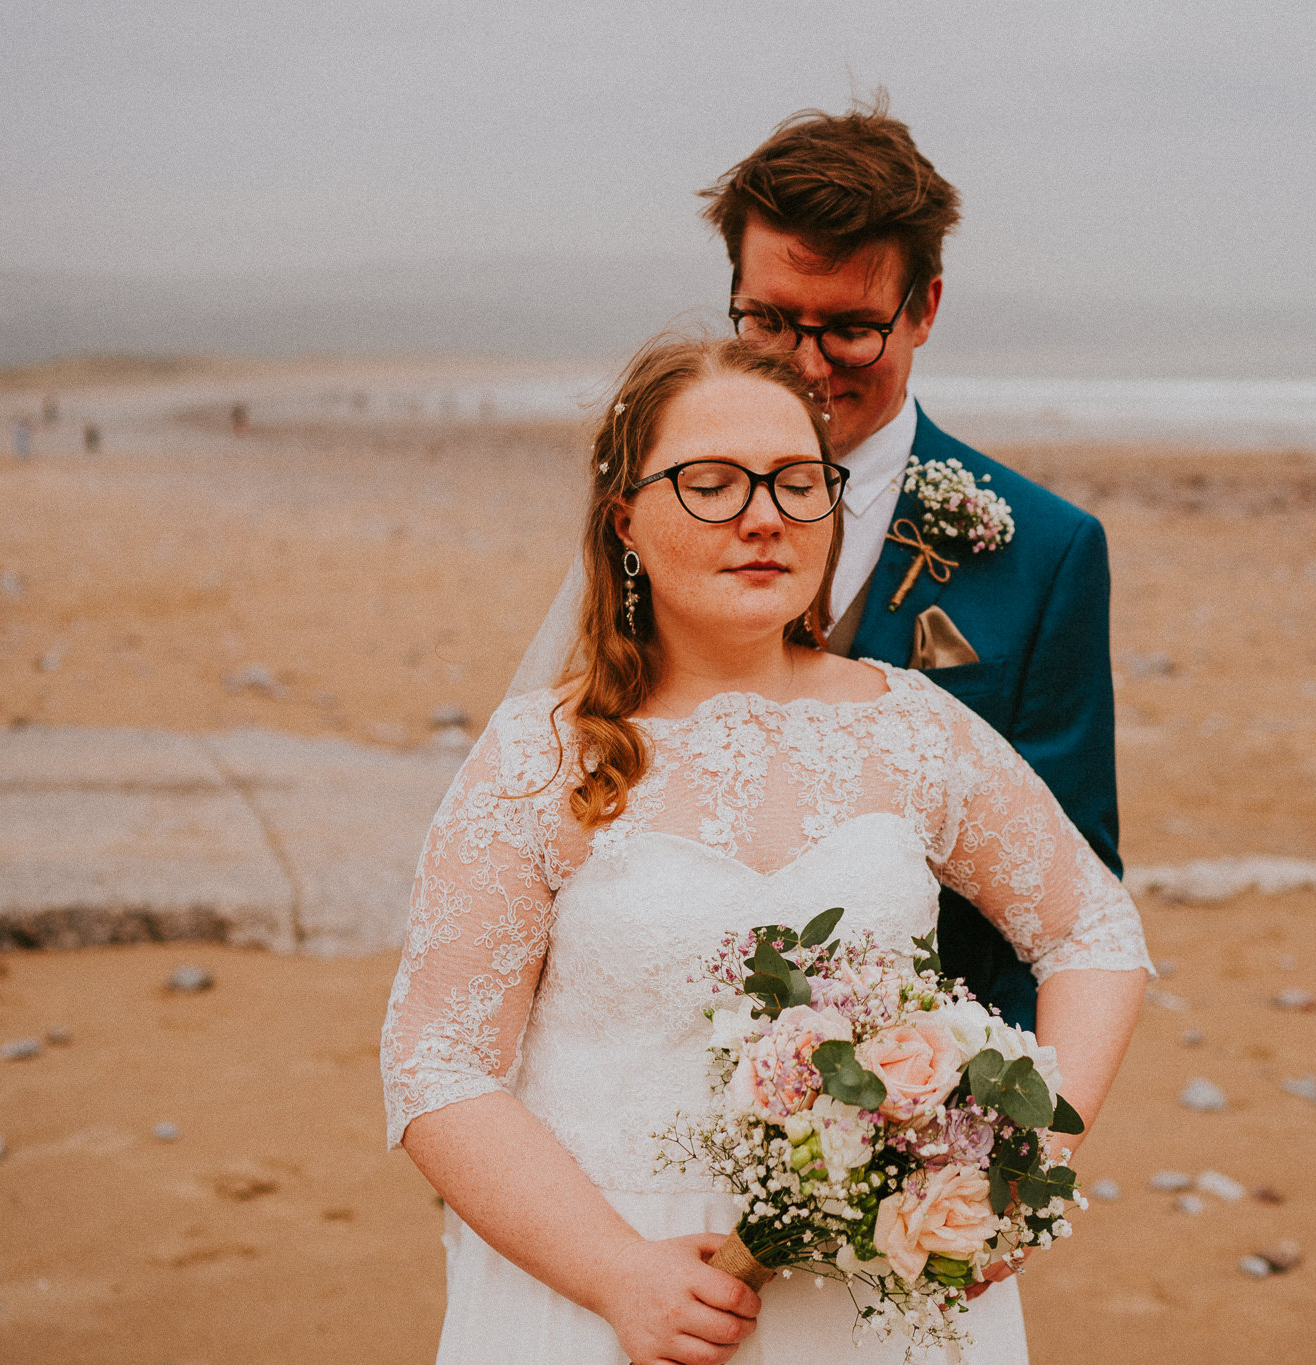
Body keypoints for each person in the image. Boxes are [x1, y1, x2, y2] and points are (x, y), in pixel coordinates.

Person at [383, 336, 1149, 1365]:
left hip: (879, 1303)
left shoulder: (913, 730)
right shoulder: (540, 754)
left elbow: (1089, 927)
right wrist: (617, 1275)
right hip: (607, 1293)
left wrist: (1028, 1151)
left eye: (797, 483)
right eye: (710, 484)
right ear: (625, 522)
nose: (763, 517)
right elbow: (437, 1063)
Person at [515, 97, 1119, 1035]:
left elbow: (1067, 905)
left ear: (924, 308)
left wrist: (982, 1139)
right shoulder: (661, 510)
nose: (804, 365)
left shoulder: (1047, 553)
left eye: (847, 328)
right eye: (769, 321)